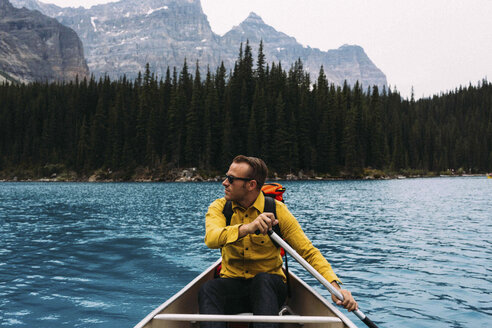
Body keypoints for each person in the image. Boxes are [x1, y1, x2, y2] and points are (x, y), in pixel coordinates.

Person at [199, 155, 358, 328]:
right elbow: (212, 238)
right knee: (208, 289)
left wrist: (335, 288)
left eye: (231, 179)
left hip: (270, 288)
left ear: (251, 185)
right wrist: (248, 228)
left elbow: (307, 252)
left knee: (262, 281)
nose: (224, 182)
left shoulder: (278, 210)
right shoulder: (219, 207)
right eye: (226, 176)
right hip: (234, 285)